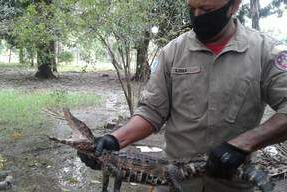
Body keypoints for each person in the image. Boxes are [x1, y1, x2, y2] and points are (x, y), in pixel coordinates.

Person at [79, 0, 287, 191]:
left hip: (232, 183)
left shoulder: (266, 51)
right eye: (191, 7)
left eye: (206, 10)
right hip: (174, 178)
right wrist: (114, 139)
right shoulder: (172, 52)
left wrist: (243, 145)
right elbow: (152, 111)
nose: (197, 15)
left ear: (234, 6)